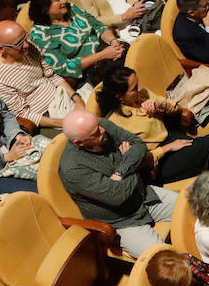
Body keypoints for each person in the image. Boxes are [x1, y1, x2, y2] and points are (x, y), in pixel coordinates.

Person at [59, 110, 178, 257]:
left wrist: (121, 171)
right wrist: (130, 162)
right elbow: (118, 196)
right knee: (164, 257)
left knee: (199, 207)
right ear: (79, 142)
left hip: (143, 195)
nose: (103, 129)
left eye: (98, 124)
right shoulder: (73, 168)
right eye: (96, 132)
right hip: (122, 221)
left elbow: (139, 144)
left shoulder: (101, 125)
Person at [93, 65, 209, 184]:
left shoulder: (143, 95)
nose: (140, 89)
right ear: (119, 96)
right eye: (134, 88)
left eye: (138, 83)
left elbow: (177, 109)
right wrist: (168, 148)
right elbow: (135, 159)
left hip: (172, 137)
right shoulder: (115, 122)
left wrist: (160, 106)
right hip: (156, 161)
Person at [0, 20, 84, 135]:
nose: (26, 44)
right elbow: (24, 114)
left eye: (25, 37)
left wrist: (77, 98)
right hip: (46, 116)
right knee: (83, 131)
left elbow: (52, 76)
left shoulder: (29, 48)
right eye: (19, 43)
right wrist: (63, 123)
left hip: (60, 96)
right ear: (1, 49)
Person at [27, 0, 124, 85]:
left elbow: (98, 26)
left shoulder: (71, 8)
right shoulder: (40, 34)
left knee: (126, 51)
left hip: (104, 48)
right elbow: (62, 67)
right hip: (88, 69)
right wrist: (103, 55)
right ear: (44, 8)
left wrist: (113, 42)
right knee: (120, 72)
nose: (64, 1)